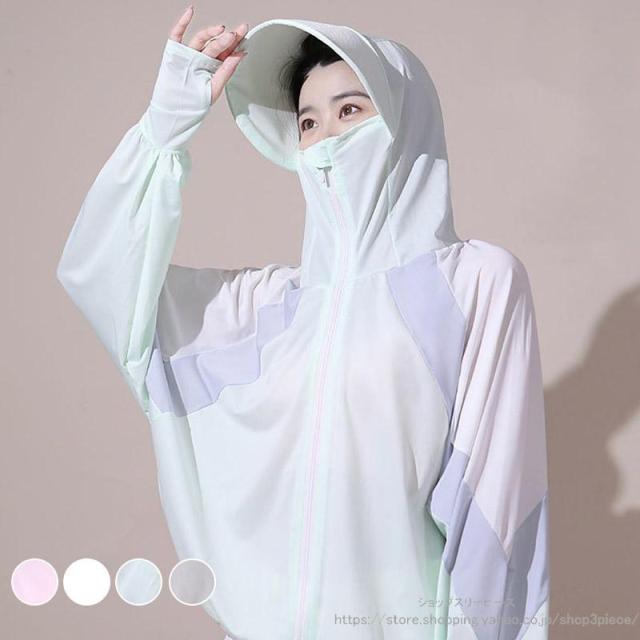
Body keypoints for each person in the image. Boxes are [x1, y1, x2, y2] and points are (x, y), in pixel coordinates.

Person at [56, 8, 550, 640]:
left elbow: (496, 519)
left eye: (351, 110)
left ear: (403, 121)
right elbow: (101, 276)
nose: (327, 138)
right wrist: (165, 125)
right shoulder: (255, 311)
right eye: (309, 122)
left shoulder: (474, 283)